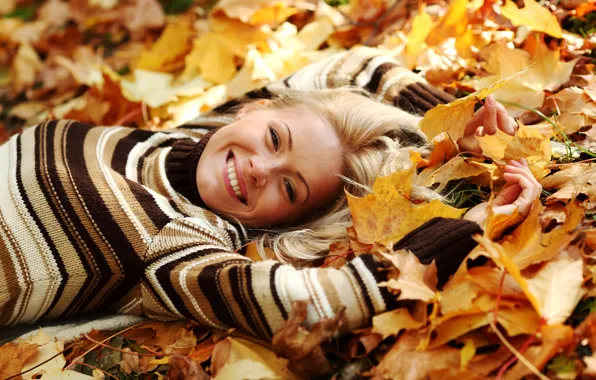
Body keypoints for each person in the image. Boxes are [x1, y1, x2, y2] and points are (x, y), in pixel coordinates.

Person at [0, 48, 541, 340]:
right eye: (275, 139)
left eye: (289, 186)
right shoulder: (196, 136)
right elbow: (353, 65)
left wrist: (473, 224)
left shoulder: (179, 238)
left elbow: (313, 302)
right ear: (253, 109)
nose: (260, 168)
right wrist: (449, 120)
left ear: (288, 219)